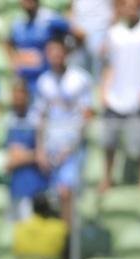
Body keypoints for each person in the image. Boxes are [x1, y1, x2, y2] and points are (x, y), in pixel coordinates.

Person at [99, 0, 140, 192]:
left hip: (138, 99)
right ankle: (107, 179)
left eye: (133, 5)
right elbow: (109, 66)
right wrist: (105, 91)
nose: (129, 9)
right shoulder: (114, 33)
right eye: (125, 5)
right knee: (108, 143)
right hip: (114, 99)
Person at [32, 36, 92, 224]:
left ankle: (68, 241)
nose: (55, 56)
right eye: (51, 52)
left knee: (66, 192)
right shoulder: (43, 82)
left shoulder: (80, 79)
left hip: (73, 149)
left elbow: (86, 116)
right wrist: (40, 149)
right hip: (51, 147)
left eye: (59, 51)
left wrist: (72, 146)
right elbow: (40, 118)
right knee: (49, 197)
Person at [8, 0, 77, 93]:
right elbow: (8, 43)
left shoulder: (51, 19)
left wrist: (62, 57)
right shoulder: (18, 23)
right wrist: (14, 61)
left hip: (48, 82)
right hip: (26, 83)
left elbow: (74, 36)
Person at [6, 80, 50, 220]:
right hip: (15, 188)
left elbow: (41, 154)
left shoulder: (36, 119)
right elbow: (9, 156)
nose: (18, 99)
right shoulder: (9, 120)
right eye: (15, 96)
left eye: (21, 95)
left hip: (35, 186)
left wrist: (23, 157)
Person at [68, 0, 112, 76]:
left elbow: (117, 6)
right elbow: (70, 8)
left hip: (101, 32)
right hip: (78, 34)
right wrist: (73, 27)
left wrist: (108, 37)